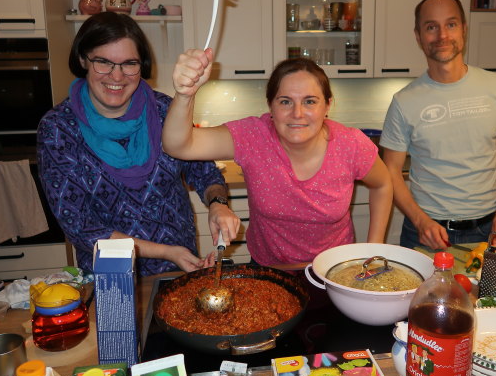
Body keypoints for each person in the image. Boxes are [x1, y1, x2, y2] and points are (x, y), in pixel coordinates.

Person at [37, 12, 240, 276]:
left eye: (128, 64)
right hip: (111, 276)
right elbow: (81, 227)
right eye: (104, 62)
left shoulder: (166, 109)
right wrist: (166, 251)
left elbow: (203, 171)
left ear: (141, 65)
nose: (117, 76)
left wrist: (218, 204)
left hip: (179, 268)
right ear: (82, 60)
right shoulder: (58, 130)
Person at [162, 51, 394, 267]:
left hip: (333, 271)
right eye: (285, 101)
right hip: (269, 271)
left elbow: (382, 184)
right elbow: (178, 145)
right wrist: (185, 94)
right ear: (270, 107)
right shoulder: (253, 137)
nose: (297, 113)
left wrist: (374, 248)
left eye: (310, 101)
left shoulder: (350, 144)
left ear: (327, 106)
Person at [380, 0, 496, 250]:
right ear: (418, 36)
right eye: (431, 27)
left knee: (489, 293)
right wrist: (420, 220)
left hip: (489, 229)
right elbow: (390, 170)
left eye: (450, 24)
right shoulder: (404, 101)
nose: (442, 36)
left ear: (463, 30)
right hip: (425, 232)